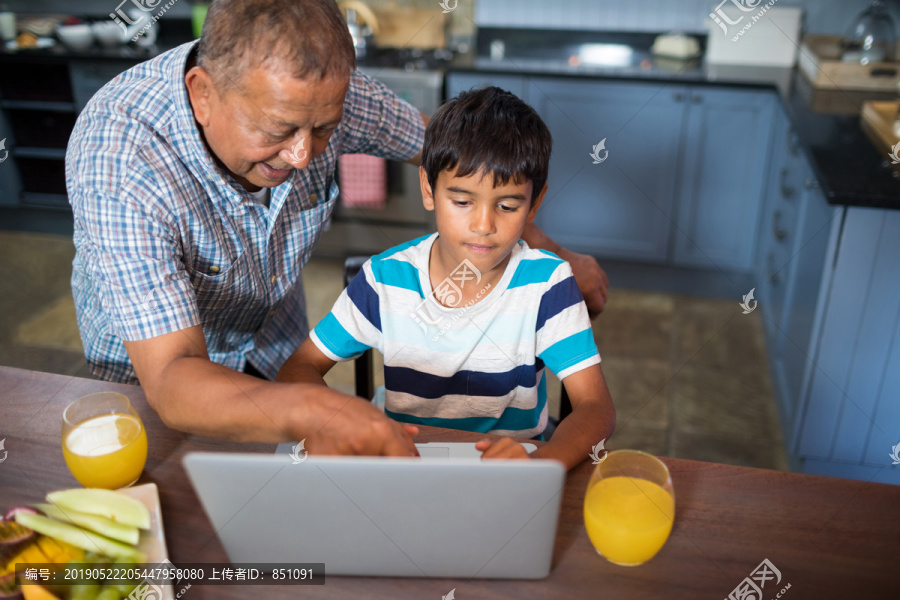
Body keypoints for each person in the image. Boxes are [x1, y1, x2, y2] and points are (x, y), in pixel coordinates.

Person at [67, 0, 608, 456]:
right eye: (278, 130)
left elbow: (465, 163)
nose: (302, 155)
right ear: (203, 93)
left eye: (324, 129)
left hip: (273, 344)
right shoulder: (120, 157)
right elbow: (172, 377)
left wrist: (552, 251)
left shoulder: (327, 93)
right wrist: (318, 408)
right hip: (156, 378)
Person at [277, 87, 615, 470]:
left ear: (534, 204)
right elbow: (296, 369)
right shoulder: (385, 281)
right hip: (404, 468)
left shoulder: (548, 286)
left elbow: (596, 408)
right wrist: (335, 424)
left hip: (509, 476)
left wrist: (543, 464)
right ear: (428, 189)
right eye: (462, 202)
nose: (483, 225)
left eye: (507, 205)